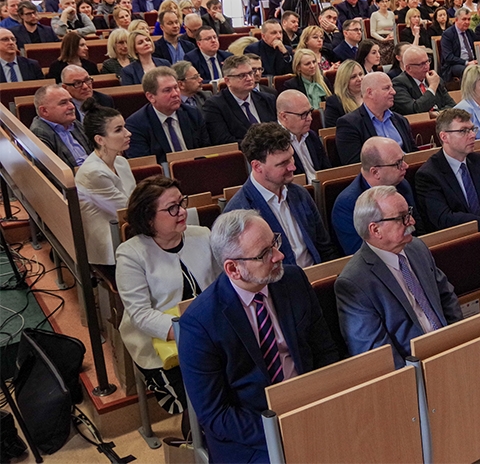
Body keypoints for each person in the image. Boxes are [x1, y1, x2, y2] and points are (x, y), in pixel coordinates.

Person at [179, 209, 339, 463]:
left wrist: (324, 404)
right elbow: (216, 415)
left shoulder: (293, 280)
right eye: (265, 254)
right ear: (233, 269)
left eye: (274, 242)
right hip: (250, 435)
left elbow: (325, 351)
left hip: (310, 404)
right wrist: (283, 430)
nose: (279, 255)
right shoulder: (200, 324)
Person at [115, 176, 219, 431]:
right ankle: (196, 443)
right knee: (197, 397)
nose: (182, 211)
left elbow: (221, 286)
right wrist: (190, 334)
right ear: (149, 218)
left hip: (210, 332)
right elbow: (140, 314)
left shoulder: (202, 235)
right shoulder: (131, 254)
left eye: (181, 203)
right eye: (172, 208)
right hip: (160, 343)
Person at [335, 185, 464, 368]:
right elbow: (377, 354)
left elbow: (446, 297)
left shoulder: (417, 248)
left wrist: (460, 340)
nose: (411, 221)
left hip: (452, 352)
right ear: (375, 230)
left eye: (409, 213)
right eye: (401, 218)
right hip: (414, 372)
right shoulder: (354, 283)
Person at [224, 123, 339, 267]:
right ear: (257, 166)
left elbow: (325, 248)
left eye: (291, 157)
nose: (293, 167)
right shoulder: (238, 212)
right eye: (283, 163)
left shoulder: (300, 194)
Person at [415, 109, 480, 232]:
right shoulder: (428, 175)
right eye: (463, 131)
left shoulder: (478, 161)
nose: (472, 135)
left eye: (472, 129)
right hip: (458, 241)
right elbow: (445, 219)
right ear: (444, 137)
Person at [75, 97, 136, 268]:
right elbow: (127, 210)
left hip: (129, 231)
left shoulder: (121, 161)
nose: (128, 133)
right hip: (109, 245)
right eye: (119, 130)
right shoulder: (93, 173)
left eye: (124, 127)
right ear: (100, 140)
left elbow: (135, 199)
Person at [331, 137, 418, 255]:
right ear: (375, 172)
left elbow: (417, 230)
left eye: (403, 159)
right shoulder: (347, 205)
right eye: (398, 163)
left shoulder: (402, 185)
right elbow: (360, 254)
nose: (406, 166)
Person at [124, 67, 209, 162]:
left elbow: (206, 150)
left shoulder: (192, 114)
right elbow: (144, 164)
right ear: (151, 97)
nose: (175, 94)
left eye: (176, 87)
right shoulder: (136, 125)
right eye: (167, 90)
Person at [336, 72, 417, 164]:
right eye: (387, 88)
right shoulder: (349, 124)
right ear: (370, 93)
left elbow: (413, 153)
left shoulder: (400, 120)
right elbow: (355, 165)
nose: (393, 92)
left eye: (392, 87)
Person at [203, 55, 277, 145]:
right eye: (242, 76)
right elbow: (223, 141)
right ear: (227, 81)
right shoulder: (215, 106)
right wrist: (261, 146)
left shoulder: (268, 99)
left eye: (250, 73)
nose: (249, 78)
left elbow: (278, 130)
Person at [30, 84, 90, 168]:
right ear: (44, 111)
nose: (72, 106)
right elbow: (53, 172)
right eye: (63, 103)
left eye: (70, 101)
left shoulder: (74, 123)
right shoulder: (40, 133)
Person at [276, 90, 330, 180]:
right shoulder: (274, 142)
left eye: (310, 112)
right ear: (284, 116)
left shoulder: (311, 136)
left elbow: (326, 171)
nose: (310, 118)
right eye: (303, 114)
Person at [392, 45, 455, 114]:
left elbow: (452, 105)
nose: (427, 66)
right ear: (408, 68)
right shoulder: (399, 84)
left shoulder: (434, 78)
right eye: (421, 64)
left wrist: (438, 114)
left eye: (427, 61)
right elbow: (415, 110)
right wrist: (432, 87)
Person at [440, 7, 478, 81]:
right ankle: (469, 92)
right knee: (469, 71)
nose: (467, 22)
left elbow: (477, 48)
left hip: (472, 62)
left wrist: (477, 60)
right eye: (464, 19)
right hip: (454, 65)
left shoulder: (470, 32)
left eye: (469, 19)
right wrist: (466, 63)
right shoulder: (448, 34)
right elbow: (448, 57)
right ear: (456, 20)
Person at [324, 59, 365, 127]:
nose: (359, 79)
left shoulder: (372, 96)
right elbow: (333, 130)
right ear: (344, 80)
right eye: (353, 77)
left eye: (360, 74)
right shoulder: (334, 102)